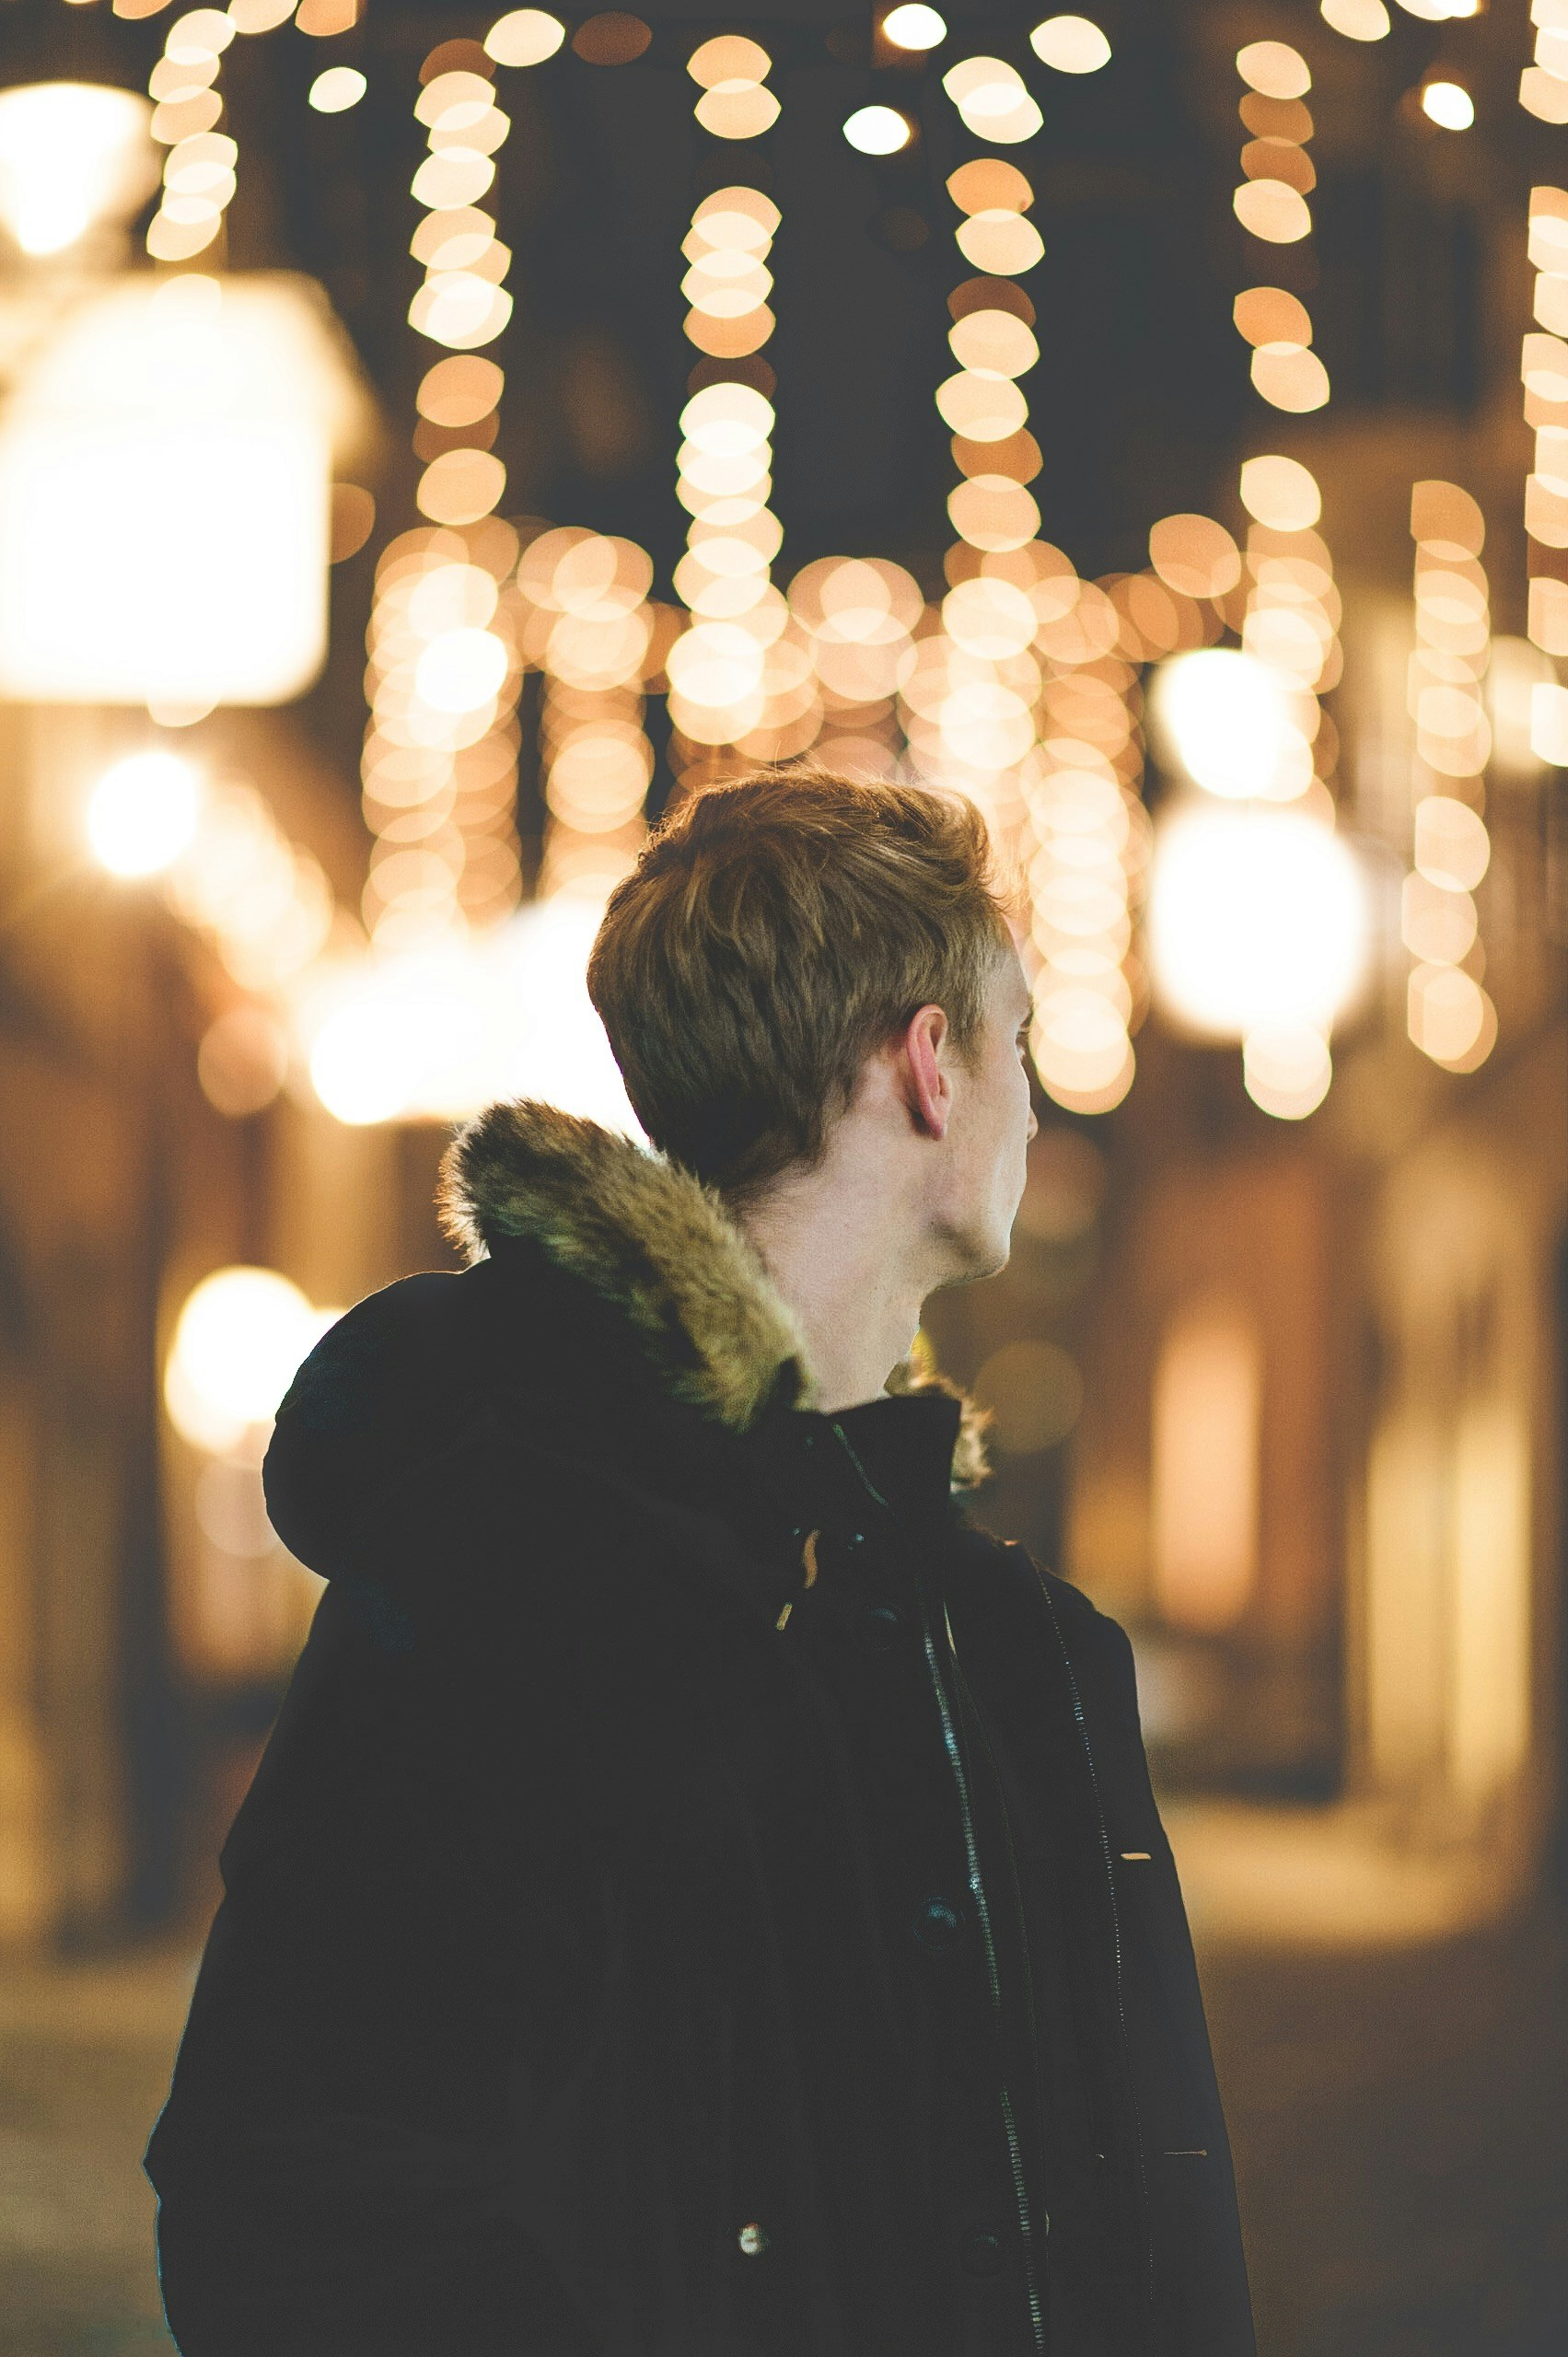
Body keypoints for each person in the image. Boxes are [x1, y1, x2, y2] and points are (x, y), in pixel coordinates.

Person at [145, 772, 1255, 2357]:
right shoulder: (518, 1574)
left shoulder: (1018, 1647)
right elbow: (298, 2199)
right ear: (931, 1068)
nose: (1035, 1107)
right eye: (1017, 1046)